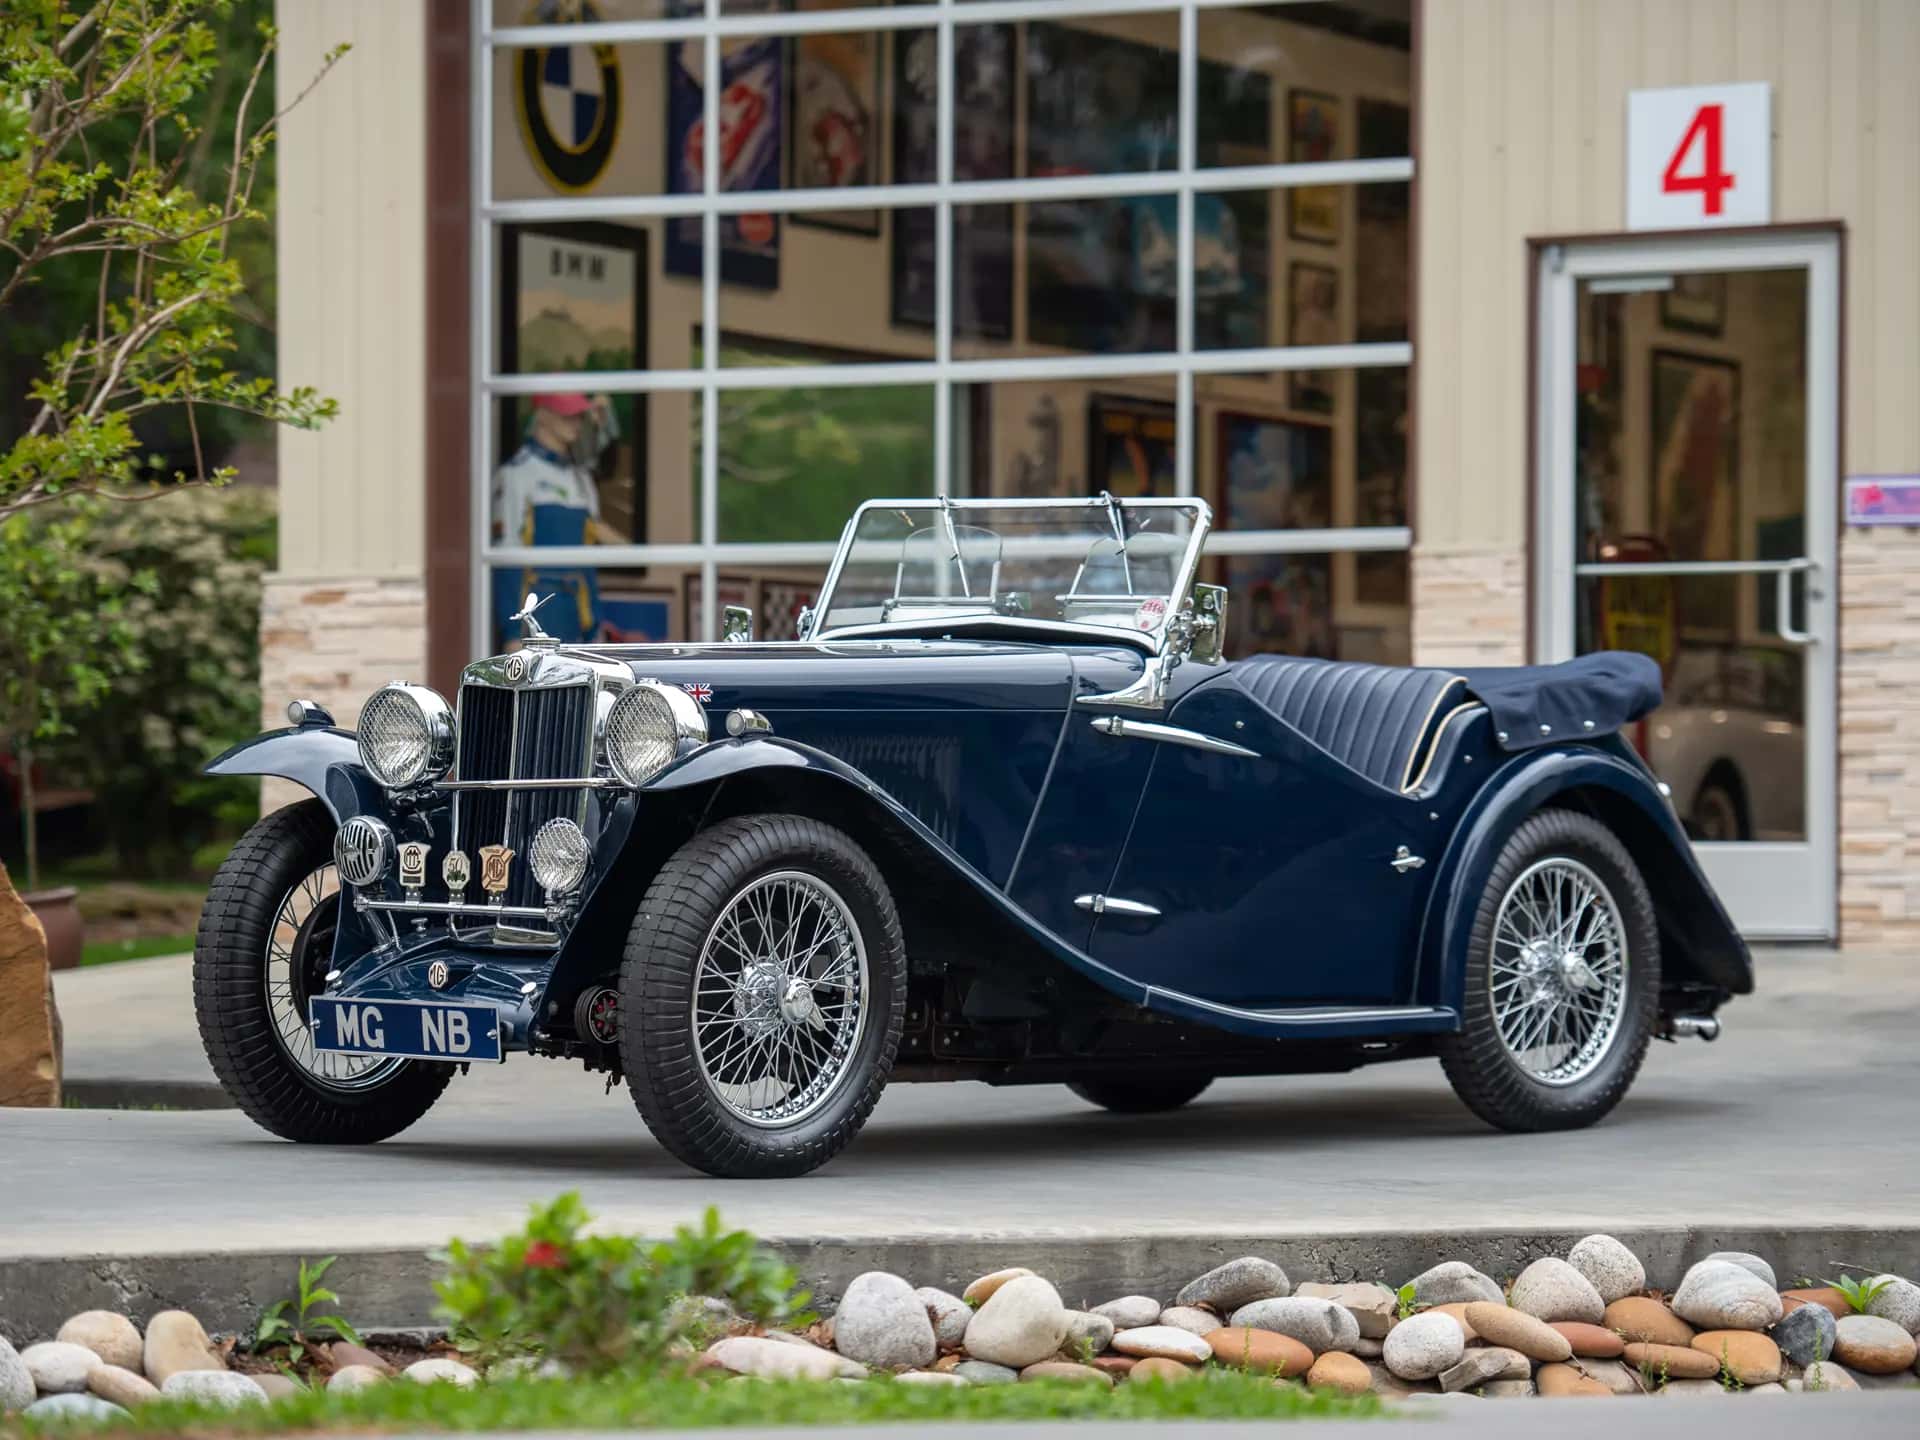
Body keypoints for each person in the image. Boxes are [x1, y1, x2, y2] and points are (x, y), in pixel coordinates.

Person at [491, 393, 620, 644]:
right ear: (543, 415)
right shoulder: (516, 474)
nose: (575, 423)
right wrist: (511, 635)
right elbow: (507, 562)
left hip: (579, 618)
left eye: (579, 416)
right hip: (537, 615)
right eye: (567, 414)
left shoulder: (582, 480)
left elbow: (588, 562)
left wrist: (595, 628)